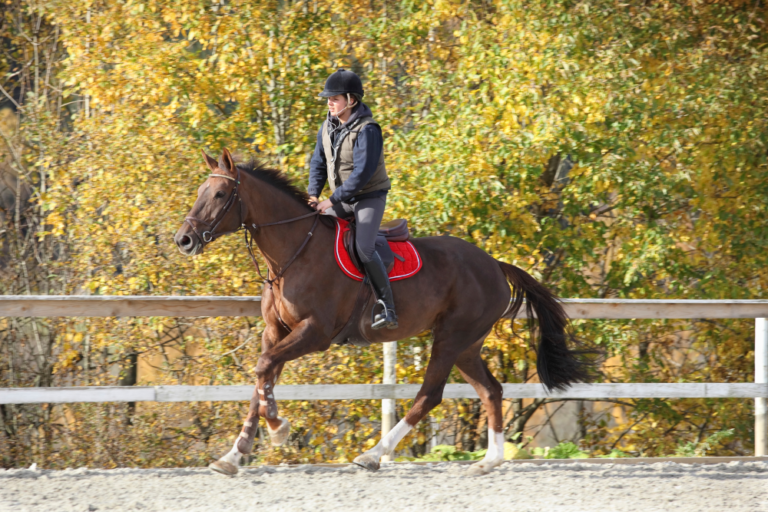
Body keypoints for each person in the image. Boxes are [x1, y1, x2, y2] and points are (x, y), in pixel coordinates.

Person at [308, 68, 398, 330]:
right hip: (342, 199)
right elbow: (318, 163)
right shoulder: (326, 127)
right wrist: (314, 194)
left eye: (334, 98)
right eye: (328, 98)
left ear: (351, 100)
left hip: (368, 197)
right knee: (314, 231)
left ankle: (387, 307)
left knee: (363, 248)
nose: (329, 102)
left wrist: (331, 201)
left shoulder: (368, 130)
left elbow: (362, 174)